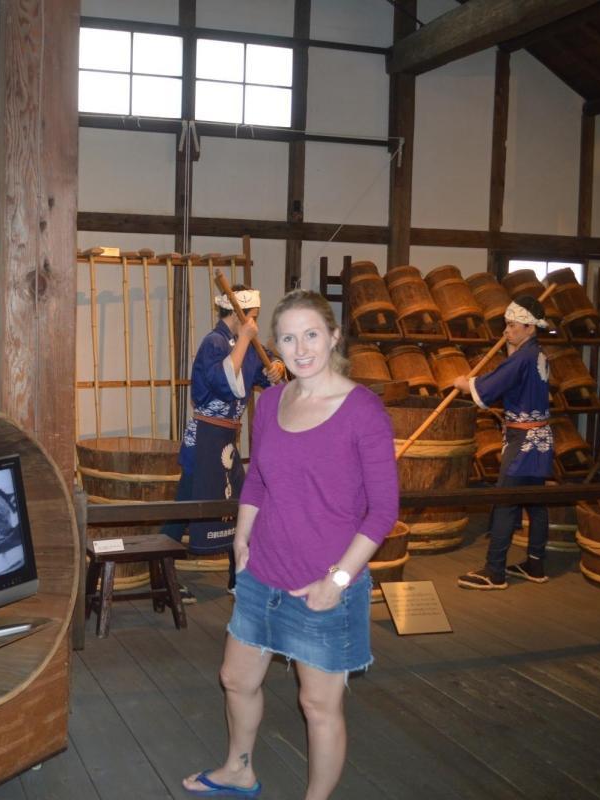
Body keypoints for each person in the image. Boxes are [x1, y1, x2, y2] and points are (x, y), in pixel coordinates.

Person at [183, 290, 398, 800]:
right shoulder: (273, 400)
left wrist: (339, 580)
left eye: (311, 335)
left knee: (318, 705)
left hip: (324, 585)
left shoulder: (362, 410)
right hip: (263, 574)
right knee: (235, 678)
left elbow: (384, 510)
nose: (300, 348)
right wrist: (240, 539)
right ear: (273, 344)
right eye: (287, 338)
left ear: (333, 337)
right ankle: (239, 769)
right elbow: (258, 478)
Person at [161, 285, 285, 595]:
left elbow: (263, 373)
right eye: (253, 316)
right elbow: (222, 382)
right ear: (239, 314)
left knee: (240, 504)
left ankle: (237, 578)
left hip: (226, 439)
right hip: (204, 440)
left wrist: (276, 369)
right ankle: (162, 574)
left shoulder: (246, 343)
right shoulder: (213, 343)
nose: (255, 322)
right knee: (184, 510)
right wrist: (243, 339)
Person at [454, 294, 554, 590]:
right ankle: (535, 564)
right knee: (536, 502)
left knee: (504, 502)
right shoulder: (537, 354)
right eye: (506, 325)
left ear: (529, 328)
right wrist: (511, 348)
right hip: (541, 439)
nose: (506, 331)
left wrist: (465, 383)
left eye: (512, 326)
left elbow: (492, 386)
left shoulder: (523, 358)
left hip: (523, 441)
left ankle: (494, 571)